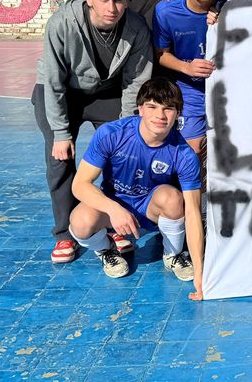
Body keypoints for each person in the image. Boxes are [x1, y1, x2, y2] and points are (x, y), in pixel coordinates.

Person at [33, 0, 153, 265]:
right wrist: (61, 133)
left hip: (106, 93)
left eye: (120, 0)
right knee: (60, 159)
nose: (112, 8)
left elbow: (135, 82)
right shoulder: (61, 24)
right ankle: (64, 233)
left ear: (128, 1)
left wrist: (126, 129)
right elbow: (53, 82)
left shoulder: (136, 27)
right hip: (62, 93)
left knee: (122, 155)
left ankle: (112, 222)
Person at [68, 78, 205, 299]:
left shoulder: (184, 153)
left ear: (178, 113)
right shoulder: (111, 134)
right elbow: (80, 185)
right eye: (152, 107)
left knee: (173, 198)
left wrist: (199, 273)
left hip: (151, 209)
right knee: (81, 222)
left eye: (168, 109)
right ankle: (106, 249)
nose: (160, 116)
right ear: (140, 108)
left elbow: (192, 212)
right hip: (115, 206)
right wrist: (114, 209)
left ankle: (173, 254)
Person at [152, 0, 220, 159]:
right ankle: (192, 193)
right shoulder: (166, 10)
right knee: (193, 151)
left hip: (228, 87)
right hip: (190, 90)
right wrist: (186, 67)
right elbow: (161, 54)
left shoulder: (232, 3)